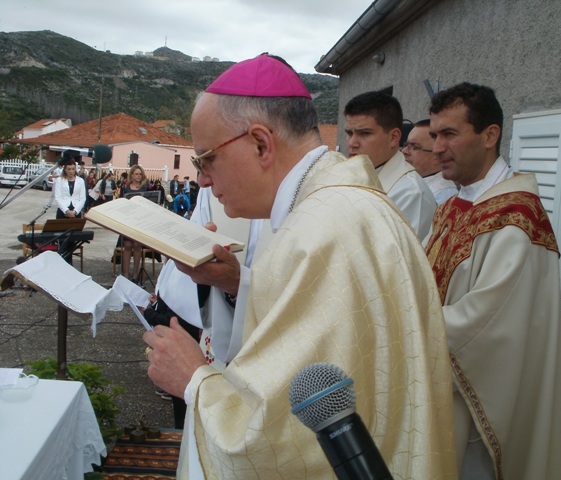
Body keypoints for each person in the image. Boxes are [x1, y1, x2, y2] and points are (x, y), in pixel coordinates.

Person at [143, 54, 456, 479]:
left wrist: (194, 380)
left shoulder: (322, 230)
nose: (201, 180)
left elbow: (285, 439)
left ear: (260, 144)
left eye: (206, 159)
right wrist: (238, 282)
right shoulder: (333, 207)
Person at [424, 82, 561, 479]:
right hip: (441, 385)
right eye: (434, 135)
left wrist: (404, 316)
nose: (436, 148)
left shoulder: (517, 217)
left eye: (449, 133)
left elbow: (486, 327)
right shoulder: (454, 204)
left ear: (490, 135)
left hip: (477, 402)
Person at [344, 90, 437, 242]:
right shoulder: (354, 176)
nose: (352, 143)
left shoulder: (411, 194)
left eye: (365, 133)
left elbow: (403, 261)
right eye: (349, 133)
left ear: (394, 138)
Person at [402, 119, 458, 205]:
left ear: (436, 155)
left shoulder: (442, 195)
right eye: (406, 145)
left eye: (414, 147)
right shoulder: (410, 180)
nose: (404, 151)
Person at [119, 165, 150, 281]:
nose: (138, 176)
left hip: (140, 220)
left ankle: (135, 274)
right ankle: (126, 274)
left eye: (140, 174)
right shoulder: (125, 187)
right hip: (128, 219)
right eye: (136, 174)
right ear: (131, 175)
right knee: (127, 245)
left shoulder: (145, 187)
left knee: (137, 245)